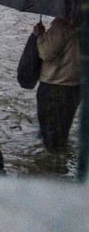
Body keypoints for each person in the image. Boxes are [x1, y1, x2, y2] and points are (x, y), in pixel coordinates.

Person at [33, 16, 81, 150]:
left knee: (49, 135)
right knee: (62, 130)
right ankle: (60, 161)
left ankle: (50, 165)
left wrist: (40, 35)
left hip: (54, 86)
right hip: (76, 86)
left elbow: (46, 53)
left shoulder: (62, 26)